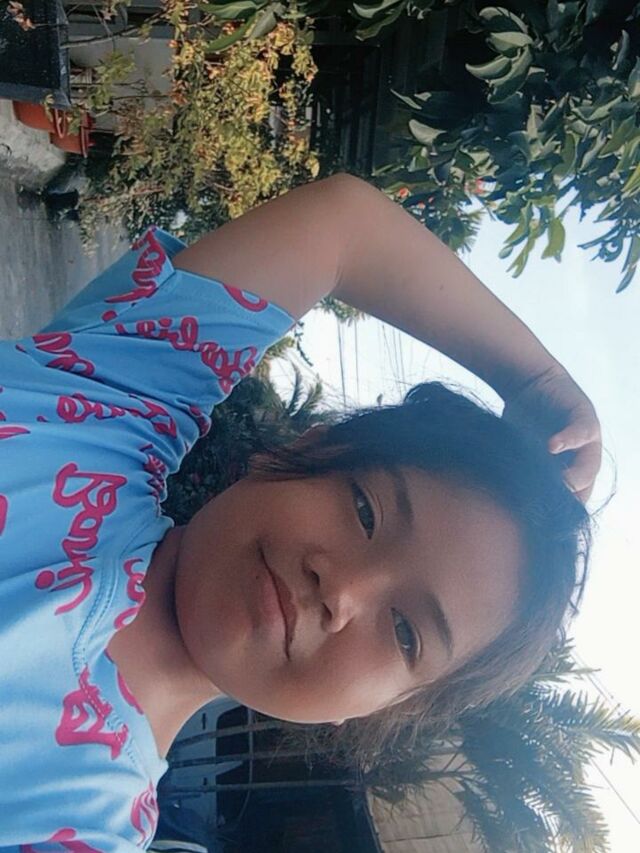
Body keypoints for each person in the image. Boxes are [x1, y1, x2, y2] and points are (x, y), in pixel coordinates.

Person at [0, 172, 602, 850]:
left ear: (381, 708)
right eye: (367, 511)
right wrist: (534, 377)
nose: (343, 591)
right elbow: (345, 228)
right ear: (304, 450)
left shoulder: (83, 822)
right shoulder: (108, 402)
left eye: (406, 633)